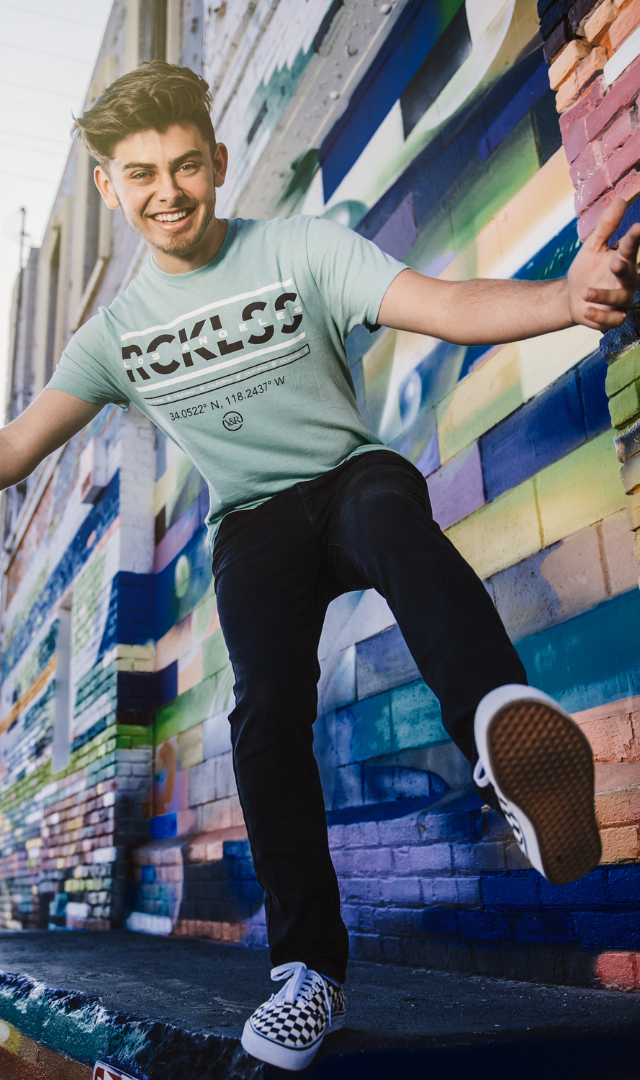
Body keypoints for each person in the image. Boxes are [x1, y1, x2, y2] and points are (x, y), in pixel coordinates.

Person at [2, 61, 638, 1071]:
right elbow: (15, 449)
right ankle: (308, 974)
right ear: (106, 185)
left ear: (214, 161)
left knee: (394, 519)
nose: (167, 192)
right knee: (263, 710)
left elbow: (442, 301)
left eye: (184, 166)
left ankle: (496, 738)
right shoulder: (115, 336)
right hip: (252, 527)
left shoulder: (298, 247)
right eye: (140, 174)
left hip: (348, 477)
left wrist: (565, 296)